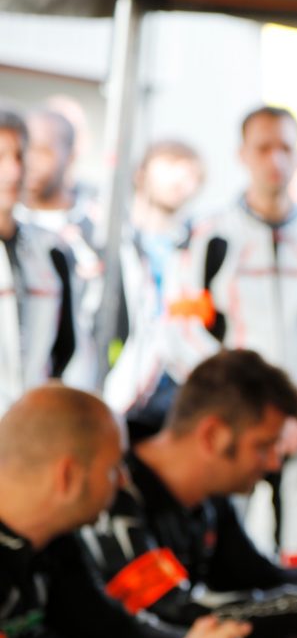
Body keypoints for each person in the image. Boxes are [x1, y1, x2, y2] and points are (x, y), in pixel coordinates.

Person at [76, 349, 297, 638]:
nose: (275, 463)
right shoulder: (113, 493)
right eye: (263, 446)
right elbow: (170, 615)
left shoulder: (208, 500)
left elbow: (258, 579)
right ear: (213, 435)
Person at [164, 105, 297, 566]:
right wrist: (236, 404)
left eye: (285, 148)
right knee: (221, 554)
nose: (275, 160)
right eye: (263, 148)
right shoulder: (206, 235)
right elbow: (181, 330)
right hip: (233, 427)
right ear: (243, 154)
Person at [0, 384, 266, 638]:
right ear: (68, 476)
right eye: (114, 468)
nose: (123, 481)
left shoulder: (54, 540)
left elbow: (107, 629)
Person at [104, 139, 205, 440]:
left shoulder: (198, 248)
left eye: (190, 174)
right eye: (170, 167)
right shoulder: (108, 241)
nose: (179, 180)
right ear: (142, 173)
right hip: (115, 391)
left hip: (175, 399)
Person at [0, 108, 86, 415]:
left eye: (20, 156)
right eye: (1, 156)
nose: (13, 171)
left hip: (28, 427)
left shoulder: (52, 250)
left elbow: (67, 347)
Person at [19, 108, 104, 361]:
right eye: (24, 151)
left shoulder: (97, 229)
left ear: (71, 155)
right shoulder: (10, 226)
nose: (29, 162)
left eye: (43, 151)